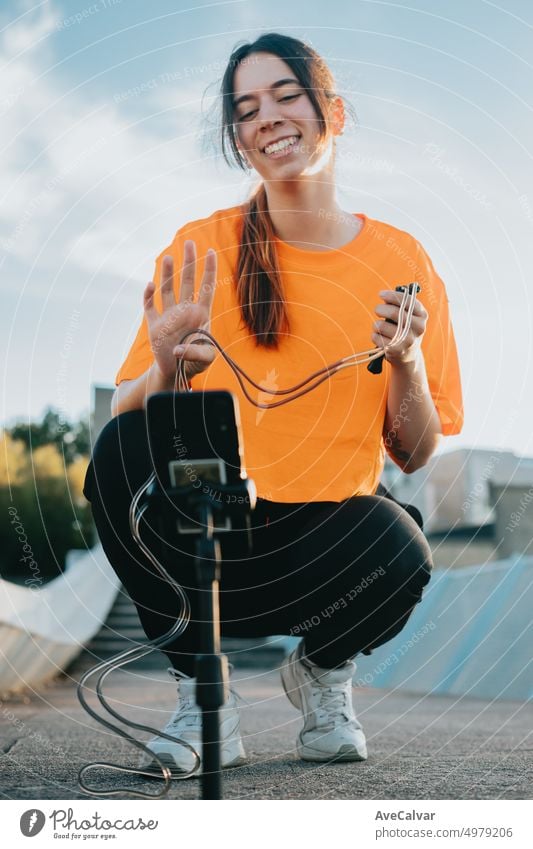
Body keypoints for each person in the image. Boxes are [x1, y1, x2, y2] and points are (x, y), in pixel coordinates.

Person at [83, 32, 463, 775]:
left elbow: (415, 452)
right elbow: (124, 414)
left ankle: (323, 672)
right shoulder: (202, 246)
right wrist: (165, 365)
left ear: (333, 112)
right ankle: (202, 693)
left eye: (286, 95)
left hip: (321, 546)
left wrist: (407, 361)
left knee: (401, 542)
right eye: (246, 108)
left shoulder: (400, 259)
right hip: (213, 542)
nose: (268, 117)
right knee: (118, 450)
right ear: (237, 138)